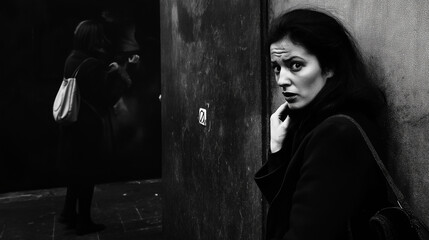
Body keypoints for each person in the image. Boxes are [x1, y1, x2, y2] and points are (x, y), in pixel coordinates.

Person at [254, 8, 388, 240]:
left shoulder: (336, 135)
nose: (282, 80)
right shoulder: (317, 124)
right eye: (277, 68)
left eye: (295, 65)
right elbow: (293, 208)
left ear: (329, 66)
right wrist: (277, 151)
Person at [57, 19, 131, 235]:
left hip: (72, 124)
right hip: (87, 127)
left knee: (75, 172)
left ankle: (68, 213)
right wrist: (119, 75)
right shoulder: (92, 63)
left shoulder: (72, 58)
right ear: (94, 39)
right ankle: (84, 221)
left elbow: (85, 87)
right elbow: (105, 98)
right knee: (87, 174)